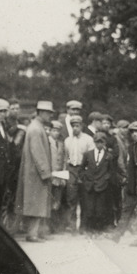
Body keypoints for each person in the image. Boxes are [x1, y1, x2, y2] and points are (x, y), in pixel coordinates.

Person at [15, 100, 57, 243]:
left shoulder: (36, 127)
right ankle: (32, 234)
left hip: (34, 171)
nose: (50, 116)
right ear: (41, 112)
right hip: (35, 173)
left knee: (36, 203)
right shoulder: (36, 129)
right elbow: (38, 152)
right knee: (35, 203)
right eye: (48, 113)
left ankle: (35, 232)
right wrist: (45, 172)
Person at [81, 131, 120, 235]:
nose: (99, 144)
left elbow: (111, 171)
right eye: (97, 142)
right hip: (90, 185)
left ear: (105, 143)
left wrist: (105, 178)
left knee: (100, 209)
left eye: (101, 142)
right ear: (94, 142)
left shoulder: (108, 156)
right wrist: (85, 178)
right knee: (89, 209)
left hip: (102, 186)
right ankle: (89, 230)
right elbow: (82, 168)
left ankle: (98, 229)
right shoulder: (88, 154)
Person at [63, 115, 95, 233]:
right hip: (72, 169)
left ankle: (83, 227)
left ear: (81, 126)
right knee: (71, 198)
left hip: (84, 170)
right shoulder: (67, 140)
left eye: (77, 126)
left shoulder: (88, 139)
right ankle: (71, 226)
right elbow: (66, 157)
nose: (75, 128)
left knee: (84, 199)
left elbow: (91, 158)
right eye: (73, 126)